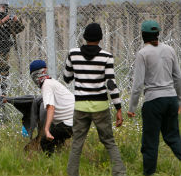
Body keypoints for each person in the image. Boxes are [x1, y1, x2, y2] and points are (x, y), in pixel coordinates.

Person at [64, 23, 126, 176]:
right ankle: (119, 173)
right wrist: (118, 108)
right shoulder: (106, 56)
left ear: (84, 37)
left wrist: (79, 70)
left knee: (77, 143)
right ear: (100, 38)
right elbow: (111, 84)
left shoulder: (73, 54)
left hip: (80, 106)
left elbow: (67, 78)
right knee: (109, 142)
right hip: (100, 106)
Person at [127, 20, 181, 176]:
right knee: (173, 137)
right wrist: (179, 100)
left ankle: (148, 173)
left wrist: (131, 108)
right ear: (158, 34)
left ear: (143, 35)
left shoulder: (143, 53)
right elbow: (177, 77)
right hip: (171, 99)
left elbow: (138, 85)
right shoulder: (170, 50)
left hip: (153, 101)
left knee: (150, 142)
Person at [29, 59, 74, 156]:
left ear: (44, 71)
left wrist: (46, 130)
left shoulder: (46, 85)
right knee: (55, 138)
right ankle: (60, 156)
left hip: (70, 122)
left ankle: (51, 165)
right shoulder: (51, 82)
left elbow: (50, 108)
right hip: (76, 119)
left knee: (45, 142)